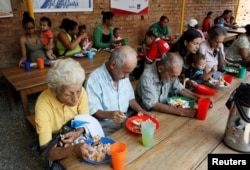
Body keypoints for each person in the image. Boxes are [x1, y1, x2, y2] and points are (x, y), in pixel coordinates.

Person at [85, 45, 151, 135]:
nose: (127, 76)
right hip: (105, 128)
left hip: (125, 122)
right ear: (113, 65)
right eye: (125, 72)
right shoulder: (94, 80)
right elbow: (94, 111)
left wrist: (141, 111)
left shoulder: (122, 74)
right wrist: (111, 114)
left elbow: (130, 99)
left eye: (129, 73)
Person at [35, 58, 89, 161]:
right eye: (68, 94)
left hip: (74, 134)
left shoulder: (80, 91)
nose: (75, 100)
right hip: (56, 141)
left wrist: (77, 133)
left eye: (78, 92)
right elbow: (46, 152)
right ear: (54, 91)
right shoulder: (43, 105)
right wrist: (73, 149)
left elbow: (85, 121)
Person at [135, 52, 200, 118]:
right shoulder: (147, 77)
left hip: (164, 110)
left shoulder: (169, 71)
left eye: (176, 76)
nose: (174, 79)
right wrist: (182, 112)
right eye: (173, 76)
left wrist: (198, 99)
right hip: (148, 114)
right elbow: (153, 104)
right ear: (161, 69)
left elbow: (180, 89)